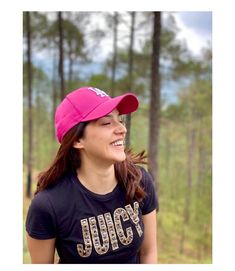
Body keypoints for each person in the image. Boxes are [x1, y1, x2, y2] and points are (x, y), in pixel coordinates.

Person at [26, 86, 159, 264]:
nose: (122, 129)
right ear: (77, 140)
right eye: (106, 123)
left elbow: (148, 253)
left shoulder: (138, 181)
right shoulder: (48, 205)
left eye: (120, 120)